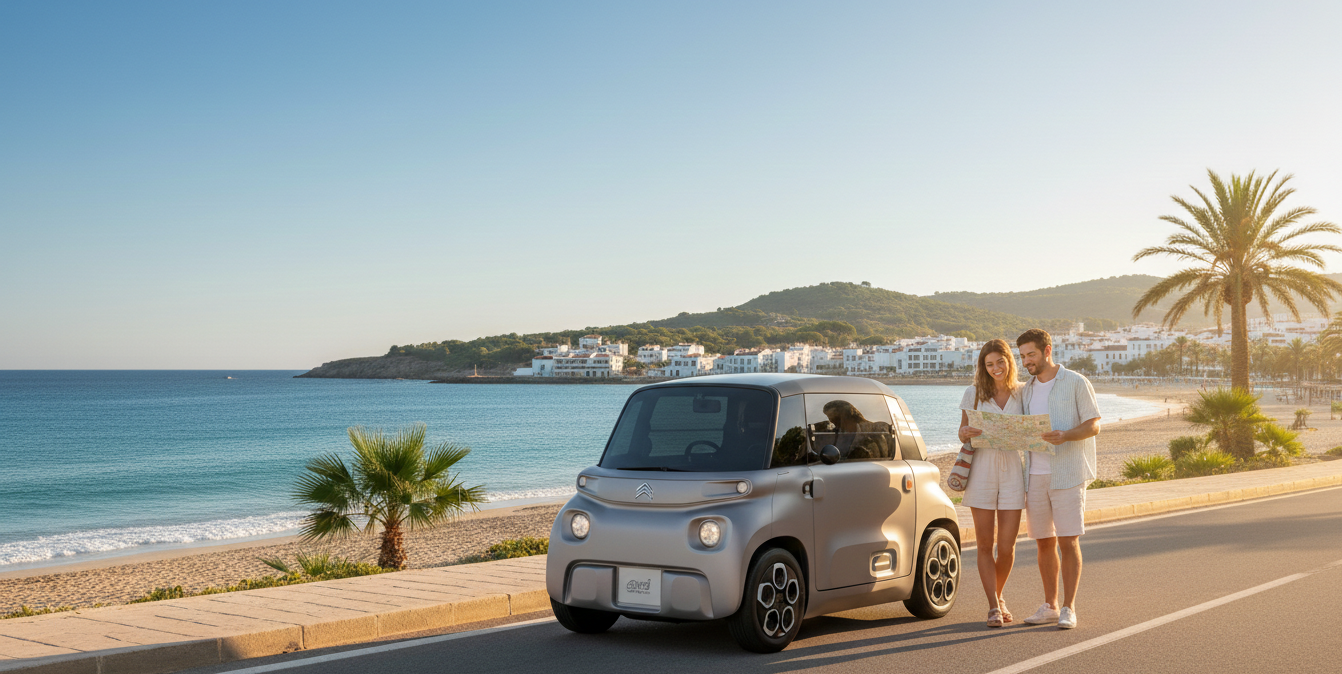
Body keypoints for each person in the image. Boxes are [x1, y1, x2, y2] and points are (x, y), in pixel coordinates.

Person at [1016, 328, 1101, 630]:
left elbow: (1093, 425)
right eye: (1023, 356)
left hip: (1068, 473)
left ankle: (1069, 607)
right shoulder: (1026, 390)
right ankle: (1050, 605)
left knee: (1068, 540)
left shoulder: (1076, 382)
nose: (1026, 361)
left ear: (1047, 350)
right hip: (1035, 475)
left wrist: (1065, 436)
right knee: (1043, 542)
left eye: (1031, 354)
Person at [957, 339, 1026, 628]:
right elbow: (961, 434)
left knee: (1007, 547)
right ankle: (993, 606)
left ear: (1009, 361)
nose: (995, 368)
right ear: (983, 367)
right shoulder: (973, 393)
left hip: (1013, 473)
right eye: (989, 364)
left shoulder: (1024, 393)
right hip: (982, 473)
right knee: (985, 545)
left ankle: (999, 596)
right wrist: (966, 432)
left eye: (1000, 361)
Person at [820, 400, 892, 459]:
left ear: (845, 415)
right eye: (829, 417)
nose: (831, 421)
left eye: (833, 417)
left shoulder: (873, 430)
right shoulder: (835, 433)